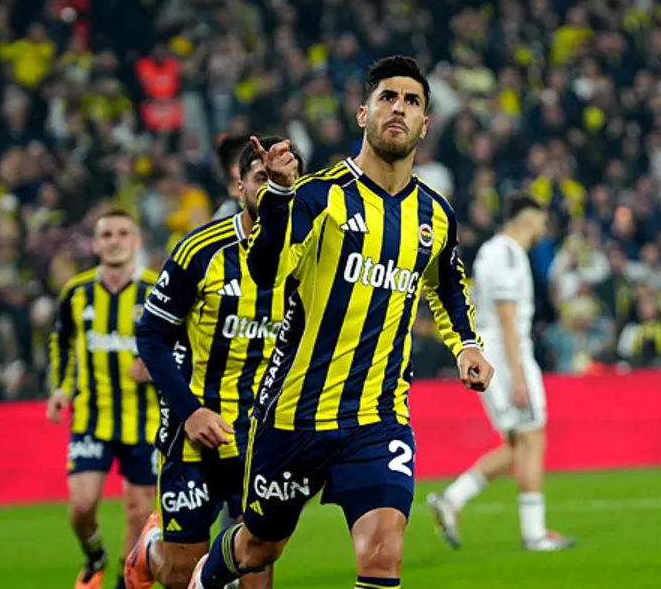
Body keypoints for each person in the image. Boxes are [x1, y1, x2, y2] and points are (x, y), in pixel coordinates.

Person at [189, 55, 495, 589]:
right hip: (295, 414)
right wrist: (278, 198)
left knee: (383, 553)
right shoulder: (318, 195)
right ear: (362, 114)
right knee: (260, 547)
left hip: (378, 416)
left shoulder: (435, 213)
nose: (398, 108)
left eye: (412, 101)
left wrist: (466, 344)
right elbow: (266, 272)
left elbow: (446, 282)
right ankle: (204, 578)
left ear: (425, 124)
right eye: (387, 97)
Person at [126, 136, 305, 589]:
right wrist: (190, 412)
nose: (271, 186)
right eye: (261, 177)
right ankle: (149, 549)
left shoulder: (308, 255)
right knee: (178, 573)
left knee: (256, 566)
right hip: (195, 431)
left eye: (281, 178)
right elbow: (151, 334)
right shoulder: (201, 250)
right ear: (239, 187)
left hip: (262, 435)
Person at [427, 192, 576, 551]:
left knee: (515, 445)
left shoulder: (493, 251)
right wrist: (519, 375)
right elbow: (508, 317)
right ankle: (534, 533)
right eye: (541, 221)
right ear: (527, 219)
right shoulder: (508, 254)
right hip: (509, 356)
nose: (542, 229)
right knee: (532, 439)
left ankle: (452, 499)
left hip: (494, 351)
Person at [47, 209, 162, 589]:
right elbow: (62, 342)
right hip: (92, 416)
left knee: (138, 511)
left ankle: (121, 582)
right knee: (81, 506)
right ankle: (94, 553)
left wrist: (156, 368)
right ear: (96, 244)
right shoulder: (76, 292)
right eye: (107, 234)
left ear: (137, 241)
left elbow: (183, 344)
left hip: (145, 418)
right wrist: (61, 388)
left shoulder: (156, 290)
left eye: (123, 233)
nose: (115, 241)